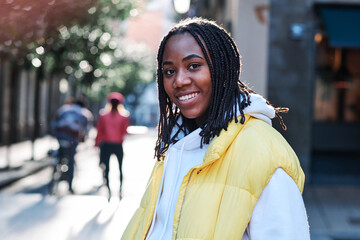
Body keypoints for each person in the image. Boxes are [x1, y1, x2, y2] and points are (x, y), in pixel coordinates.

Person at [121, 18, 310, 239]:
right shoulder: (173, 146)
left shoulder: (264, 151)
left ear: (222, 69)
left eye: (194, 66)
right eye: (169, 71)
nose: (179, 80)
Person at [53, 97, 92, 193]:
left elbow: (55, 122)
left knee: (61, 151)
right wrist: (83, 139)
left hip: (60, 135)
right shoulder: (84, 113)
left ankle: (57, 160)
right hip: (72, 138)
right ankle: (69, 186)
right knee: (71, 160)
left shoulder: (64, 109)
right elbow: (85, 129)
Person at [95, 92, 129, 200]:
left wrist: (96, 144)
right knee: (120, 168)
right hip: (118, 145)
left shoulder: (103, 116)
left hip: (106, 145)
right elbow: (125, 131)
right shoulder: (124, 117)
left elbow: (99, 131)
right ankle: (120, 191)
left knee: (107, 169)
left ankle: (109, 191)